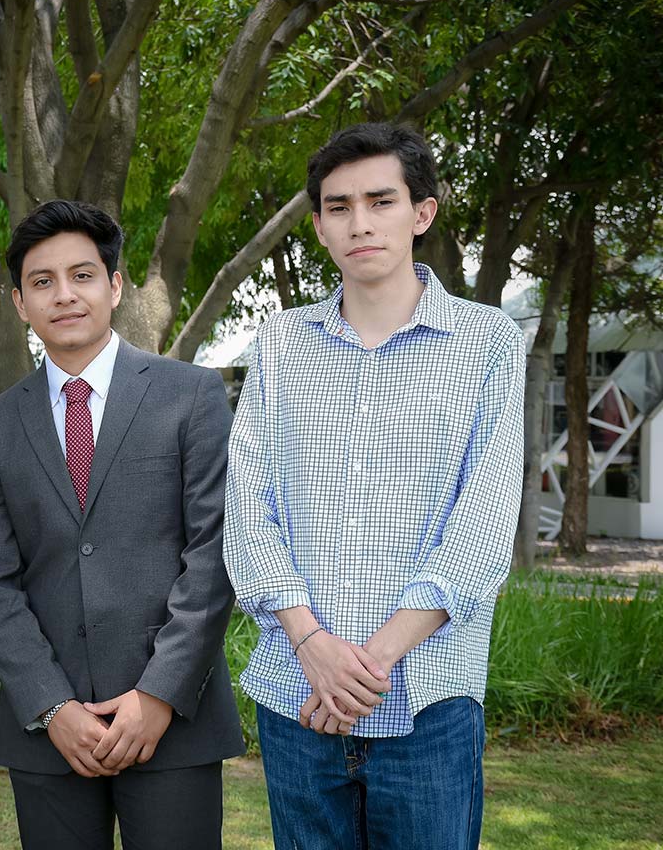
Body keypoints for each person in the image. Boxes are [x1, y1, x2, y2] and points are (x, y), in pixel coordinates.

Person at [223, 122, 526, 849]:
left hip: (428, 702)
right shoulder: (279, 344)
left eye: (380, 200)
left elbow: (483, 526)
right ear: (320, 227)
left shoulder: (488, 343)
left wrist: (368, 665)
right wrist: (314, 647)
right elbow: (247, 506)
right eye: (337, 206)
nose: (359, 222)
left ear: (421, 213)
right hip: (298, 698)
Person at [0, 200, 244, 850]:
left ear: (114, 286)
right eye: (43, 281)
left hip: (173, 723)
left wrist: (159, 694)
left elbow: (213, 554)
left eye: (82, 275)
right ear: (19, 301)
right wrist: (50, 705)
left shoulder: (190, 396)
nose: (65, 295)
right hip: (50, 732)